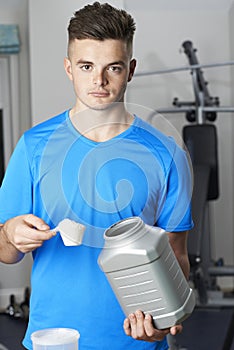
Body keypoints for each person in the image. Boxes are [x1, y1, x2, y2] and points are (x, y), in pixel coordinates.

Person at [0, 2, 193, 349]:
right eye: (86, 66)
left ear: (130, 70)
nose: (99, 80)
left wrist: (165, 321)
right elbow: (5, 251)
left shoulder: (167, 155)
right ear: (69, 68)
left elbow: (176, 257)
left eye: (113, 68)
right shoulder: (33, 146)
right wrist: (11, 235)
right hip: (53, 340)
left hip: (136, 342)